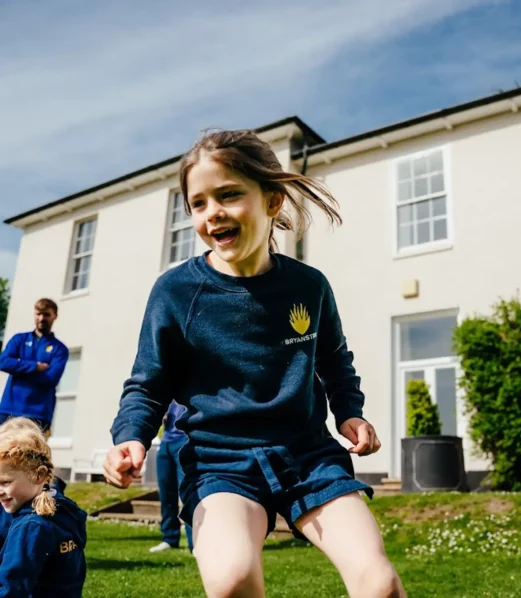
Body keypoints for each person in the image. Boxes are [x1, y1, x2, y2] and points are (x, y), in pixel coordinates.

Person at [104, 129, 406, 598]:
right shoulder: (176, 291)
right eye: (198, 203)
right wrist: (130, 438)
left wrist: (350, 410)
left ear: (271, 201)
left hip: (308, 455)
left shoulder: (309, 286)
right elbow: (148, 383)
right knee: (232, 581)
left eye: (228, 195)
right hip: (218, 462)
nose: (212, 213)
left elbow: (333, 359)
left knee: (380, 583)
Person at [0, 417, 87, 597]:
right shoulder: (66, 511)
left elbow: (11, 588)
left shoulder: (30, 527)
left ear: (38, 475)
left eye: (5, 482)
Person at [0, 298, 69, 434]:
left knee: (33, 454)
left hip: (39, 413)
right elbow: (3, 362)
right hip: (10, 409)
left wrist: (17, 369)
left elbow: (51, 378)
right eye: (39, 314)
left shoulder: (59, 349)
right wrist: (35, 366)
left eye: (46, 314)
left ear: (55, 316)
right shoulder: (19, 340)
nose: (42, 318)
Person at [150, 400, 193, 553]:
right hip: (166, 442)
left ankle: (195, 544)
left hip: (185, 441)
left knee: (187, 494)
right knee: (166, 493)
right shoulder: (168, 383)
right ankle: (169, 538)